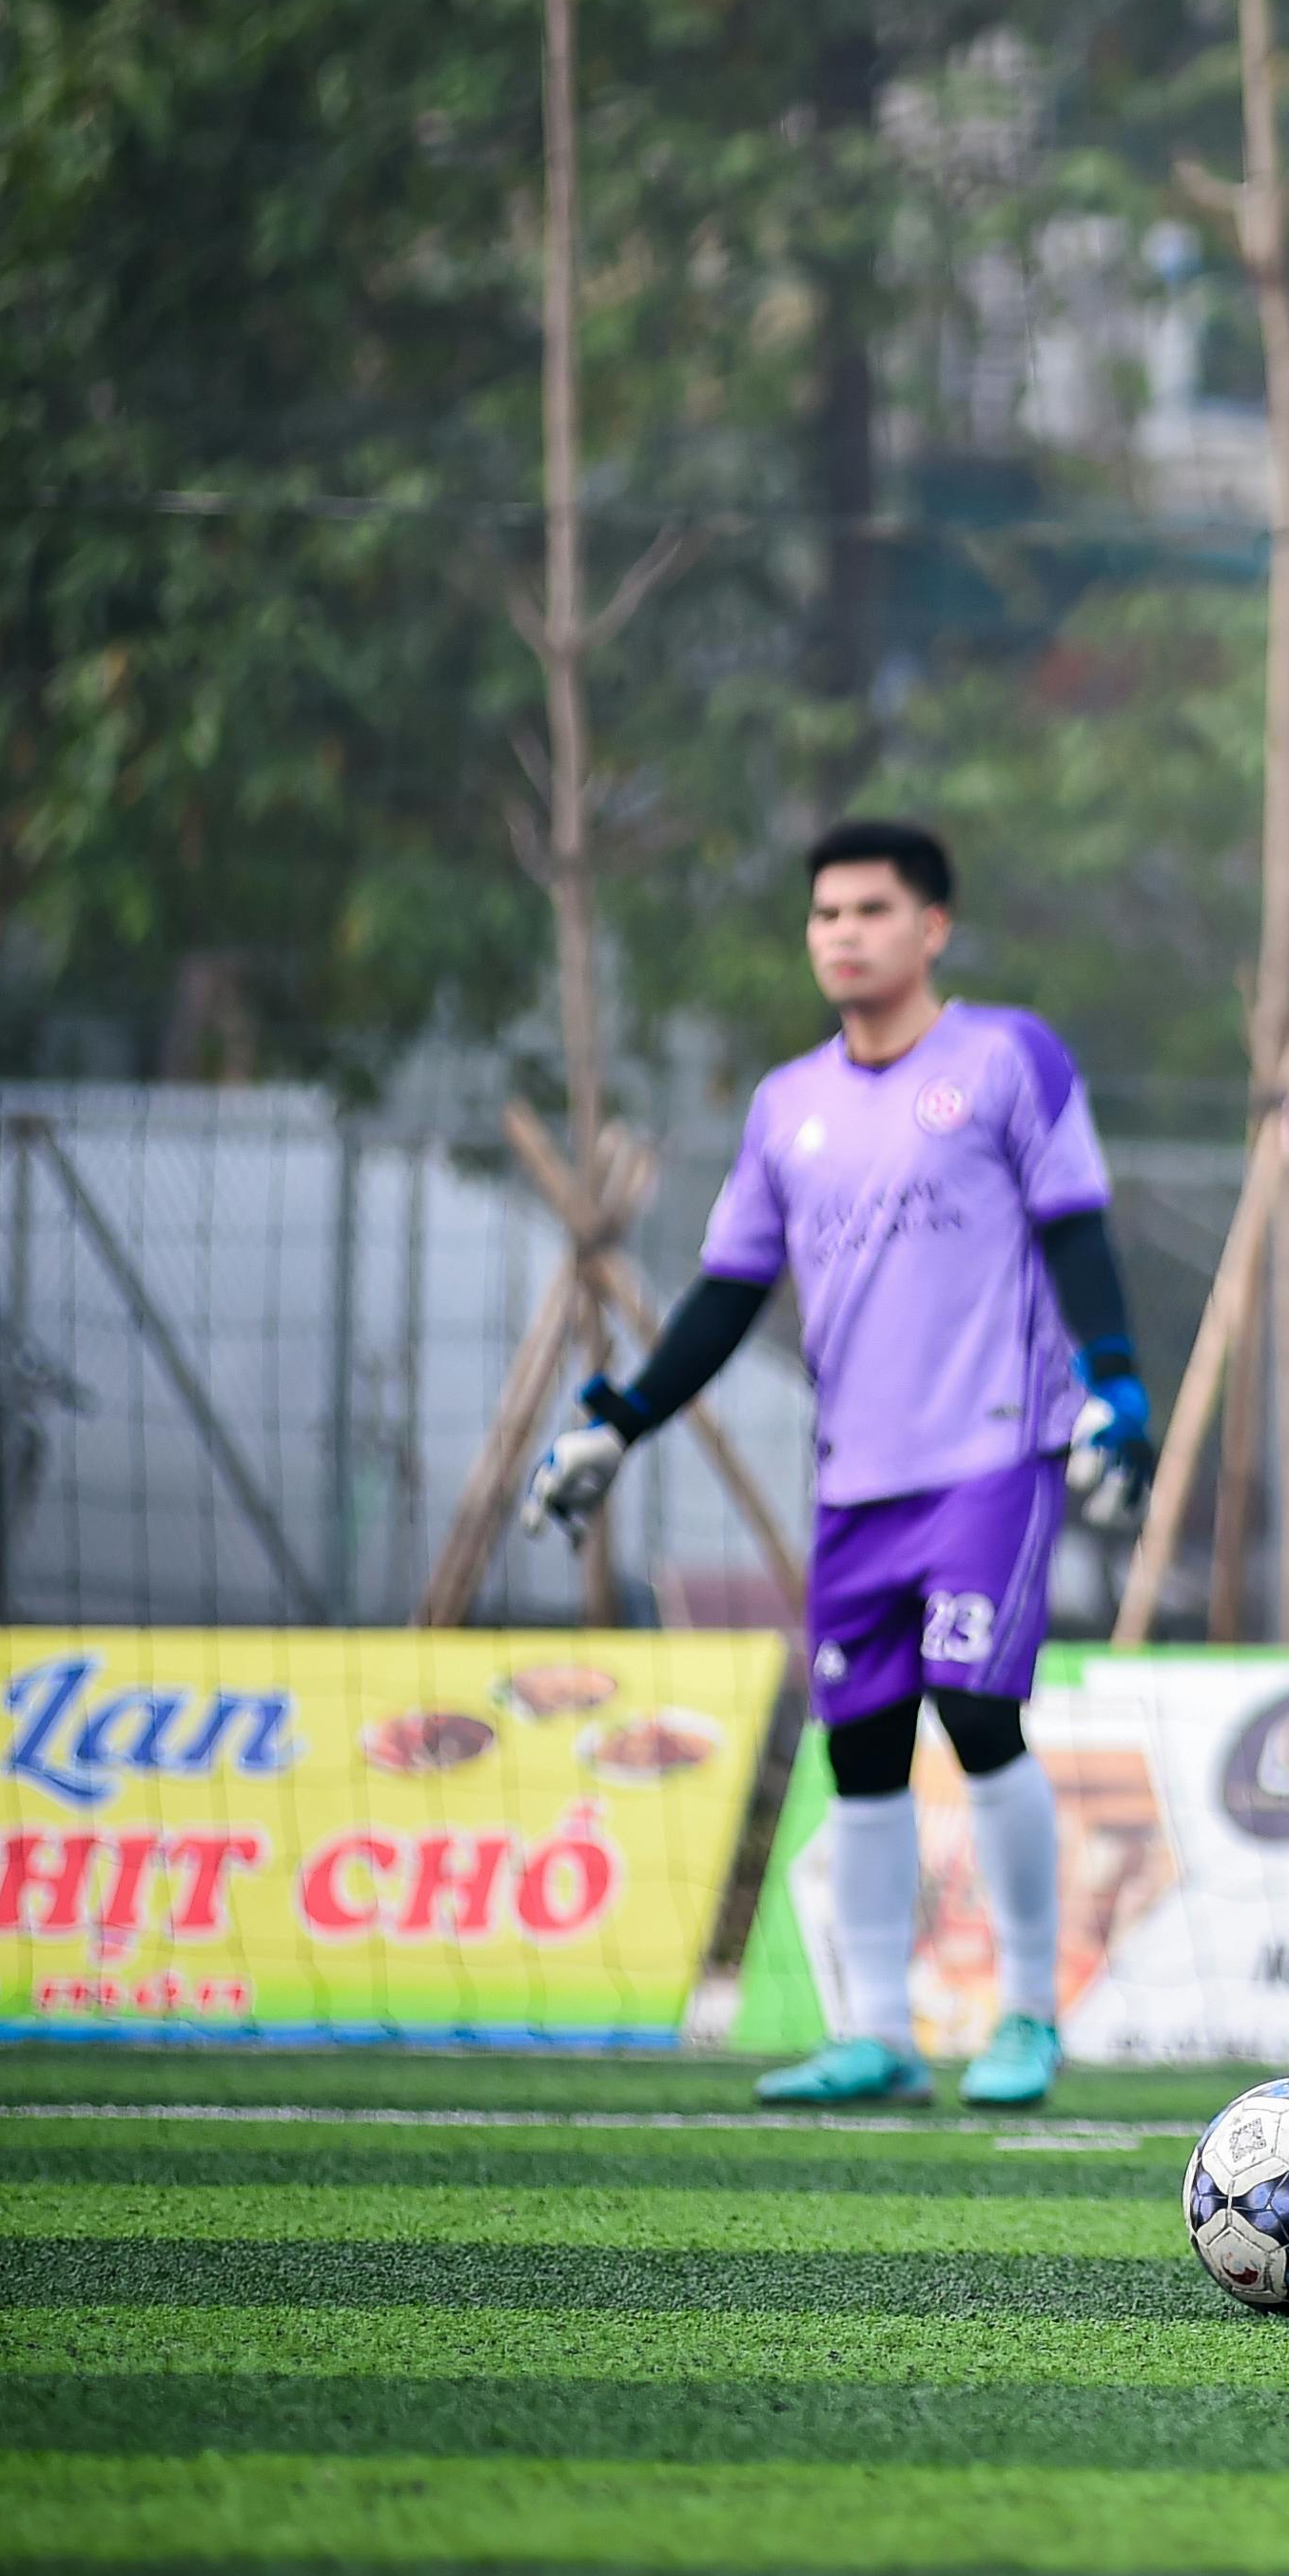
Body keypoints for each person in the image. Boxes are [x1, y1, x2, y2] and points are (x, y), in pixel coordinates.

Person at [520, 817, 1157, 2110]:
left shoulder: (1005, 1059)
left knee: (978, 1713)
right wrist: (619, 1419)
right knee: (860, 1746)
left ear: (932, 928)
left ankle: (1027, 2019)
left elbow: (1078, 1230)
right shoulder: (787, 1106)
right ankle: (876, 2035)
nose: (842, 934)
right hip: (856, 1479)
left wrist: (1115, 1387)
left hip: (993, 1454)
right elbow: (727, 1292)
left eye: (870, 910)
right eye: (824, 914)